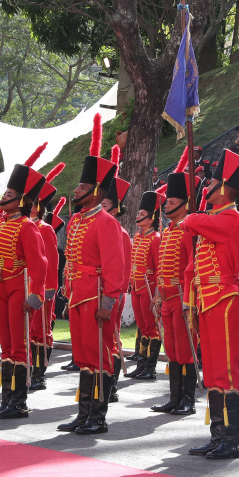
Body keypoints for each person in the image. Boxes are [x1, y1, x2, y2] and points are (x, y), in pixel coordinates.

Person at [182, 148, 239, 459]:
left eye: (212, 183)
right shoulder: (212, 218)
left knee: (227, 369)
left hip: (225, 297)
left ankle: (232, 440)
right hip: (207, 299)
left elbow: (190, 222)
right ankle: (218, 435)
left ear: (224, 186)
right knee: (213, 371)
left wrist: (190, 217)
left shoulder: (233, 218)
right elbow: (192, 267)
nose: (207, 187)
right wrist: (189, 303)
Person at [57, 113, 124, 435]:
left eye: (82, 186)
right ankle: (83, 414)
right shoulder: (78, 220)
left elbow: (114, 266)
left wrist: (109, 301)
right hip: (78, 295)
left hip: (97, 296)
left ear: (96, 190)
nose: (75, 190)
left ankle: (97, 417)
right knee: (83, 356)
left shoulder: (106, 223)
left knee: (99, 355)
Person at [0, 154, 47, 419]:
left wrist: (36, 295)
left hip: (19, 286)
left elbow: (40, 263)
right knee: (6, 344)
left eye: (9, 194)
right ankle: (6, 399)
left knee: (19, 344)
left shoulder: (27, 226)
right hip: (0, 286)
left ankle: (19, 402)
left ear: (21, 200)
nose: (3, 197)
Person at [151, 170, 198, 415]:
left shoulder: (189, 230)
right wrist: (158, 294)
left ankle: (188, 400)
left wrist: (190, 302)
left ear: (184, 205)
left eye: (171, 202)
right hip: (167, 297)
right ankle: (174, 398)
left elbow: (193, 267)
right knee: (171, 349)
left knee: (185, 349)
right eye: (167, 202)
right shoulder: (168, 231)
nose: (166, 206)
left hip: (182, 297)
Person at [29, 162, 64, 391]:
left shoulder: (45, 228)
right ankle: (28, 369)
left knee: (40, 330)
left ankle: (39, 374)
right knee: (27, 331)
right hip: (24, 285)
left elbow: (52, 261)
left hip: (41, 287)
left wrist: (49, 288)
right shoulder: (21, 225)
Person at [102, 158, 132, 401]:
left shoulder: (119, 232)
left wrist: (113, 295)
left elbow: (121, 268)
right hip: (97, 290)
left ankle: (111, 386)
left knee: (111, 338)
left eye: (104, 204)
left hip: (113, 293)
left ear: (114, 208)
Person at [126, 190, 163, 381]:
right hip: (136, 287)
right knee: (141, 327)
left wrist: (157, 294)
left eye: (142, 214)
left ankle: (150, 367)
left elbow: (159, 269)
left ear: (151, 218)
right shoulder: (139, 236)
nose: (138, 216)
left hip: (149, 288)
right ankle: (141, 365)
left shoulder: (156, 238)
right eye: (138, 213)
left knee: (151, 328)